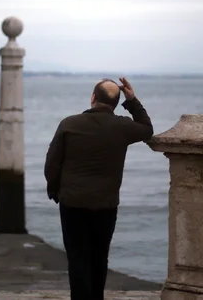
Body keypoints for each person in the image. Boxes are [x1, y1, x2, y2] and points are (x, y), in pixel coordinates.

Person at [44, 77, 153, 300]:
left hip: (73, 204)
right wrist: (132, 101)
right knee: (99, 258)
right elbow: (147, 129)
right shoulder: (122, 126)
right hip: (106, 205)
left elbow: (52, 164)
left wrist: (56, 191)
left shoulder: (69, 124)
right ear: (115, 103)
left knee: (77, 259)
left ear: (92, 98)